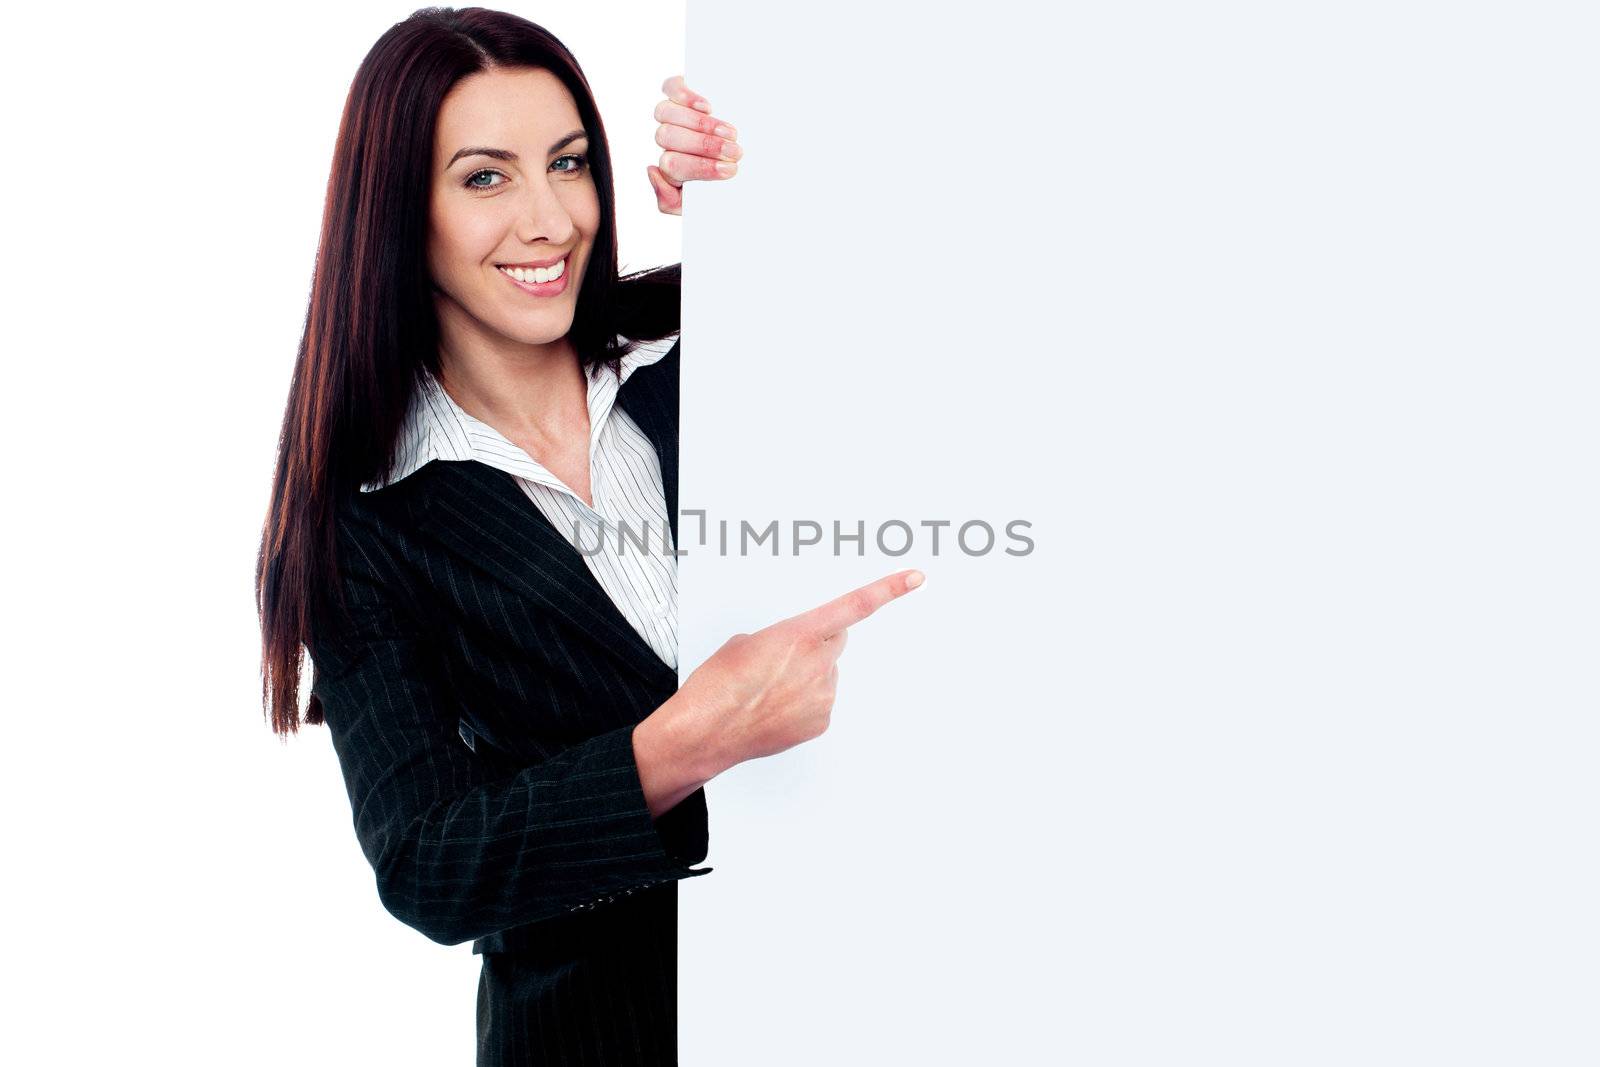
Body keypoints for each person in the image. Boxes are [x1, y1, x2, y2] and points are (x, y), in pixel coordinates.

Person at [254, 7, 923, 1065]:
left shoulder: (709, 331)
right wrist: (690, 739)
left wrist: (772, 202)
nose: (550, 218)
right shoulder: (365, 521)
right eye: (484, 177)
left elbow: (948, 316)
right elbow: (429, 863)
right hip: (598, 1031)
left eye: (568, 163)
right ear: (397, 213)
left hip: (875, 982)